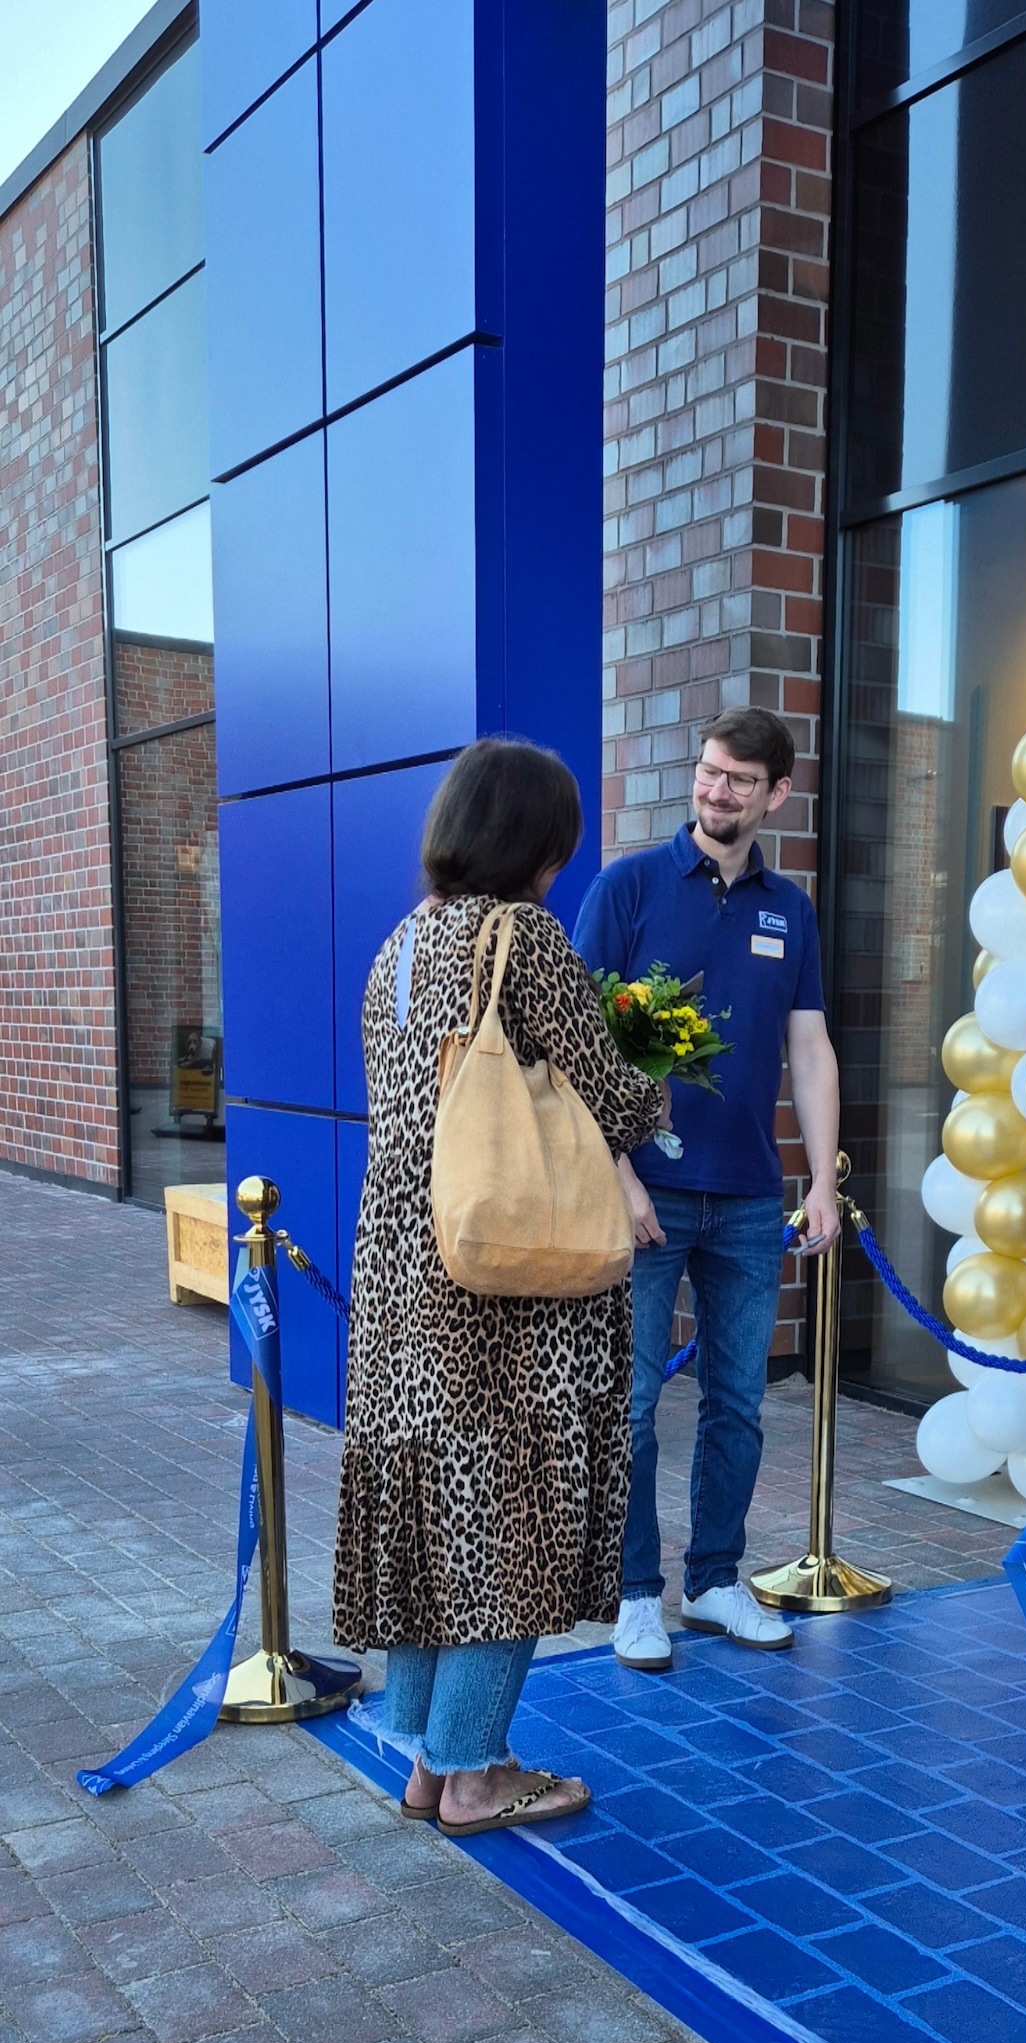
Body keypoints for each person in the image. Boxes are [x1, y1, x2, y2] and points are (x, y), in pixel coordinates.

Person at [333, 739, 667, 1830]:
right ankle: (475, 1774)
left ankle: (431, 1765)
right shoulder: (518, 934)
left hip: (401, 1272)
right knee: (511, 1519)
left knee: (443, 1517)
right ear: (538, 842)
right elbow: (609, 1094)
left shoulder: (400, 943)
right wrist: (660, 1087)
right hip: (501, 1290)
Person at [573, 706, 841, 1669]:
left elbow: (809, 1049)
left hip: (746, 1196)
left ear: (777, 792)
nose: (714, 791)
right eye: (706, 772)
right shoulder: (629, 886)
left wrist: (818, 1180)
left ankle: (715, 1579)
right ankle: (635, 1593)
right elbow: (572, 1050)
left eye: (737, 779)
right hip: (642, 1191)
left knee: (737, 1398)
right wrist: (616, 1172)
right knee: (634, 1404)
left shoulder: (790, 909)